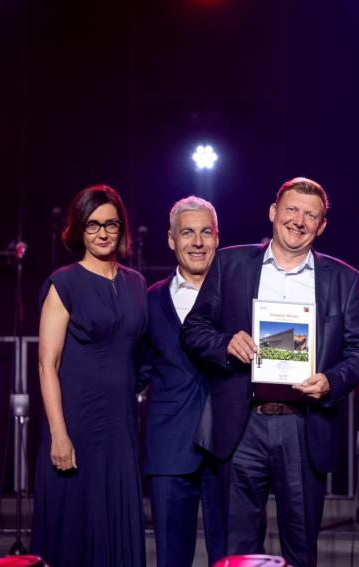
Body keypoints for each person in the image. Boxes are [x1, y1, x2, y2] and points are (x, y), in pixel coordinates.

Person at [181, 177, 359, 567]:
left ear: (322, 226)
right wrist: (225, 344)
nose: (299, 221)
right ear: (273, 212)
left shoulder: (342, 278)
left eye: (311, 215)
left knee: (301, 550)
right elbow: (194, 330)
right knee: (238, 550)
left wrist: (331, 381)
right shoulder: (230, 263)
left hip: (303, 425)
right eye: (291, 210)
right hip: (242, 422)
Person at [31, 185, 147, 567]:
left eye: (111, 224)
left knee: (116, 522)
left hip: (120, 426)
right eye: (92, 224)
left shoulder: (135, 283)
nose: (102, 233)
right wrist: (59, 435)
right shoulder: (64, 283)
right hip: (76, 424)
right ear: (79, 229)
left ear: (121, 229)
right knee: (76, 529)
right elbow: (47, 365)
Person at [138, 196, 226, 567]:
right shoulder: (149, 300)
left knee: (231, 556)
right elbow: (137, 370)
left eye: (206, 232)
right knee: (171, 558)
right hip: (169, 443)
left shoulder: (240, 291)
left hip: (229, 444)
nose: (197, 242)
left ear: (217, 238)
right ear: (171, 240)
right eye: (187, 233)